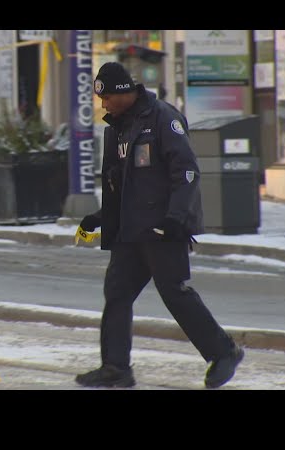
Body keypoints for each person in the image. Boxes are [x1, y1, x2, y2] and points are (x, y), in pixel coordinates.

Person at [76, 62, 244, 389]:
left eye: (107, 97)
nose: (103, 104)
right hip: (130, 231)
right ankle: (116, 368)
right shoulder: (117, 128)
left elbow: (186, 172)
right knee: (117, 294)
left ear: (123, 92)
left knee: (175, 294)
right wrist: (99, 218)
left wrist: (176, 219)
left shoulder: (162, 118)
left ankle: (224, 352)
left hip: (162, 229)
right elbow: (118, 183)